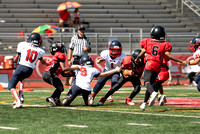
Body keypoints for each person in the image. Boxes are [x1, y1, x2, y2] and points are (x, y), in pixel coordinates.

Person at [135, 25, 187, 110]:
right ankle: (144, 103)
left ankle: (153, 93)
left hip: (150, 63)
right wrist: (181, 61)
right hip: (158, 66)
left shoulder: (147, 42)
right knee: (150, 84)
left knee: (146, 82)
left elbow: (142, 53)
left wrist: (137, 58)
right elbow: (169, 56)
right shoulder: (165, 44)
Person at [8, 33, 47, 109]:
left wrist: (14, 62)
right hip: (29, 70)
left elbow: (16, 58)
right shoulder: (40, 51)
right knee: (20, 80)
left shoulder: (23, 44)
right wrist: (48, 64)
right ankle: (20, 96)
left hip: (21, 67)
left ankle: (18, 101)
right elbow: (42, 61)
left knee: (11, 86)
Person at [43, 41, 73, 107]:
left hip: (46, 74)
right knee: (60, 87)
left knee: (60, 87)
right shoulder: (60, 55)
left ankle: (56, 100)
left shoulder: (57, 58)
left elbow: (63, 74)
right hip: (49, 73)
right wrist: (75, 68)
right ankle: (52, 97)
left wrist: (73, 74)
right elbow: (64, 68)